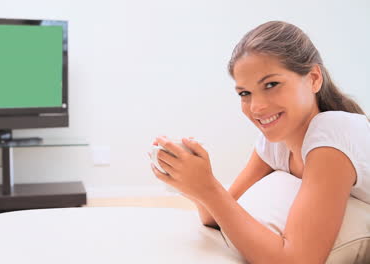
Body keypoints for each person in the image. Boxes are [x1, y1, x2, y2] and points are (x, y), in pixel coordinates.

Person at [150, 21, 369, 263]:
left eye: (271, 85)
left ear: (314, 79)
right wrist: (192, 184)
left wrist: (208, 188)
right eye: (245, 93)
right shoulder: (275, 143)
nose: (256, 107)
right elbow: (214, 218)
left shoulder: (331, 134)